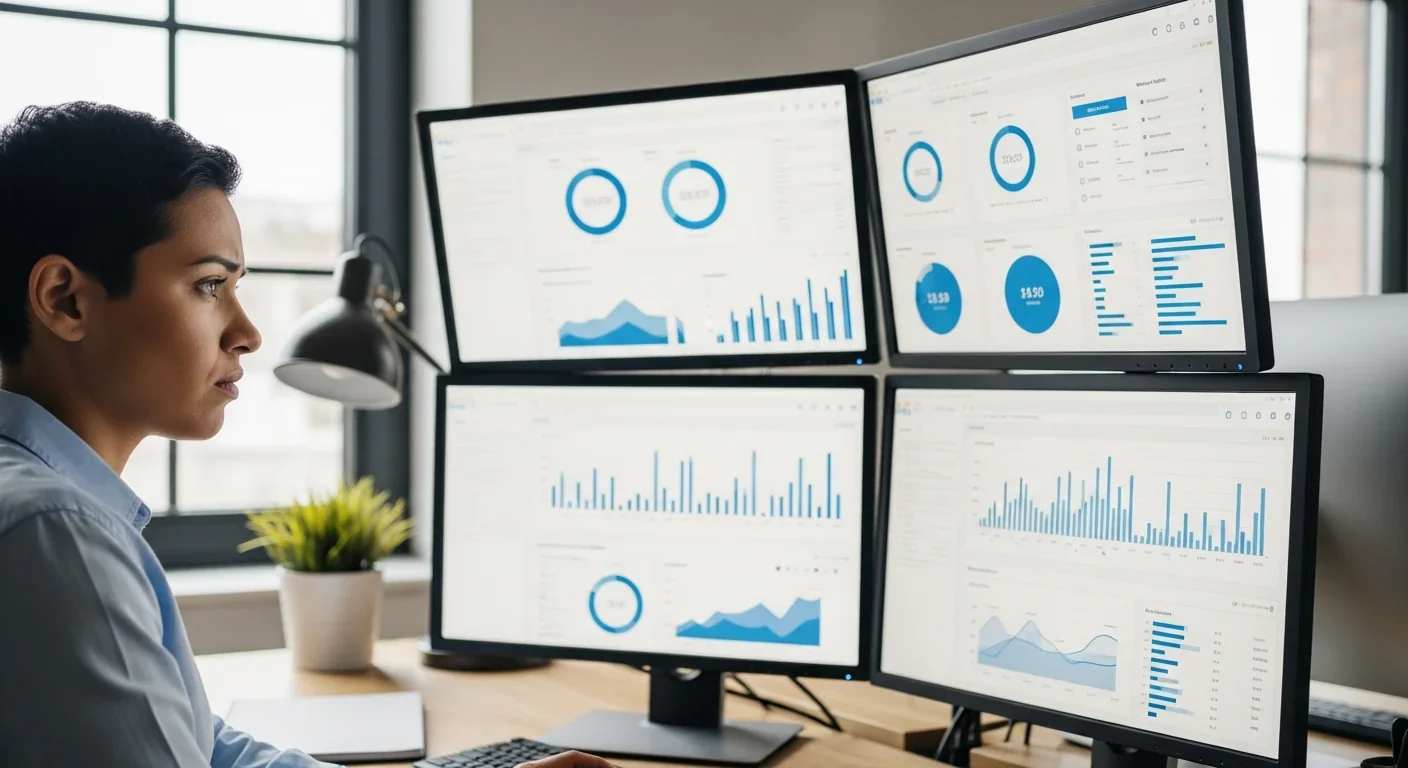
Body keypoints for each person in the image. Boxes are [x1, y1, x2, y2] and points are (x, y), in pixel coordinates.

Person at [0, 102, 612, 768]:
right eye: (208, 285)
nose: (248, 332)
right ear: (65, 299)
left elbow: (204, 747)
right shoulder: (55, 533)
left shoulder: (48, 510)